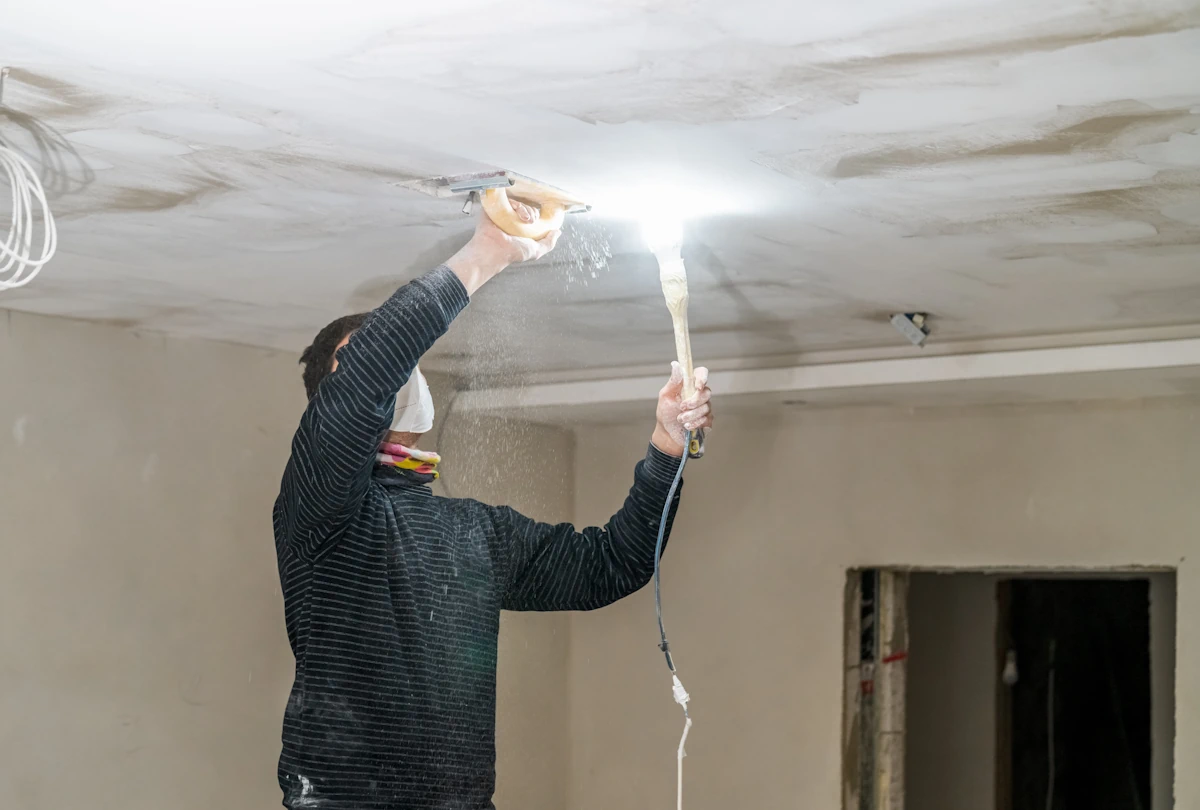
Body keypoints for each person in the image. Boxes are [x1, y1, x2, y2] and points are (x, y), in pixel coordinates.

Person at [273, 198, 714, 810]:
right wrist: (490, 251)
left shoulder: (472, 533)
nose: (398, 374)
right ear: (332, 400)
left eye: (405, 362)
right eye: (375, 362)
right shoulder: (321, 508)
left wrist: (667, 443)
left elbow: (610, 564)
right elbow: (369, 373)